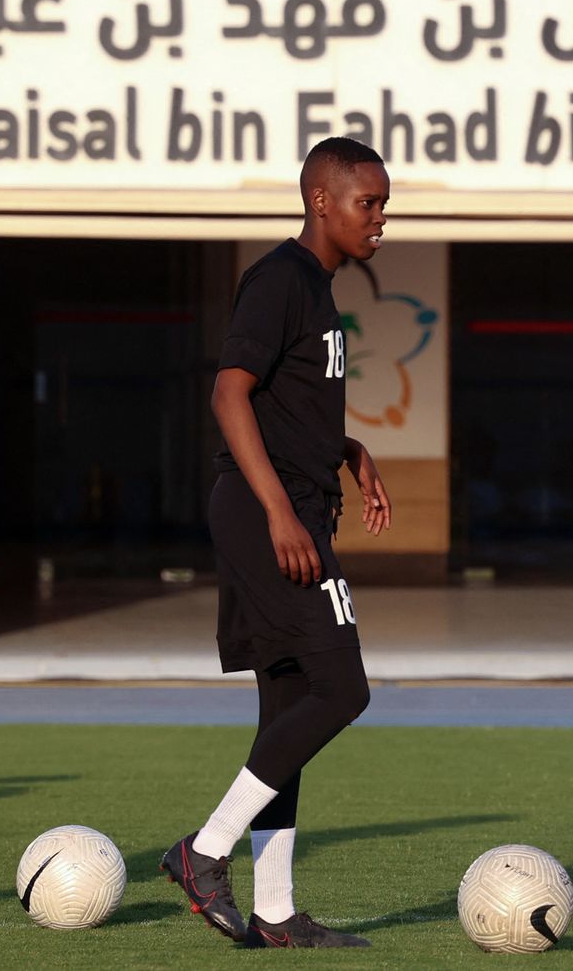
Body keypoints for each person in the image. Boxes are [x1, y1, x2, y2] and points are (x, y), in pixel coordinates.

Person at [160, 137, 392, 949]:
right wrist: (280, 514)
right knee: (343, 690)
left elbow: (287, 409)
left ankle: (277, 910)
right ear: (321, 200)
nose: (381, 220)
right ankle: (205, 850)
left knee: (291, 704)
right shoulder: (278, 280)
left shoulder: (319, 293)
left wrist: (348, 451)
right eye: (368, 203)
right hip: (271, 516)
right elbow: (230, 395)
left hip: (292, 502)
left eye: (384, 205)